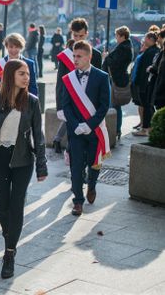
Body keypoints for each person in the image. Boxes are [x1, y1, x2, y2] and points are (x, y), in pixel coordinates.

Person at [0, 59, 47, 279]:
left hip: (23, 160)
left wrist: (42, 166)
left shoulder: (33, 101)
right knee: (2, 206)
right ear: (10, 76)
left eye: (28, 74)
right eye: (21, 73)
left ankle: (9, 254)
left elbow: (39, 135)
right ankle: (10, 235)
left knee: (17, 205)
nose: (27, 77)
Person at [62, 40, 111, 216]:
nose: (75, 59)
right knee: (76, 167)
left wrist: (89, 125)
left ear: (89, 57)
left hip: (94, 130)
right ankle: (78, 201)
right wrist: (75, 125)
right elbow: (65, 105)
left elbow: (105, 106)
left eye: (79, 56)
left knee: (94, 163)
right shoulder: (69, 79)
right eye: (74, 56)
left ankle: (92, 185)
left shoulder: (102, 77)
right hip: (75, 132)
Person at [54, 18, 102, 154]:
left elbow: (100, 83)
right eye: (75, 35)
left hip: (89, 106)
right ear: (71, 34)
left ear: (87, 34)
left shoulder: (96, 55)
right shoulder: (65, 56)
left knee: (90, 145)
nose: (78, 38)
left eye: (81, 35)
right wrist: (60, 107)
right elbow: (60, 83)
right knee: (74, 143)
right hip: (71, 105)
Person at [102, 26, 133, 139]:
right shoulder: (125, 46)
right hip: (116, 78)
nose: (115, 38)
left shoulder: (123, 48)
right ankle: (116, 129)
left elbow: (115, 64)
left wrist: (106, 57)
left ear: (122, 36)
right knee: (115, 105)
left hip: (116, 79)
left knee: (115, 105)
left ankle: (116, 129)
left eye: (117, 36)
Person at [132, 32, 159, 136]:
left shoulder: (152, 51)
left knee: (147, 106)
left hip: (145, 84)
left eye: (145, 38)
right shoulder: (149, 50)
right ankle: (147, 127)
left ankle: (146, 128)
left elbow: (145, 70)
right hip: (143, 84)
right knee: (146, 106)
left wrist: (141, 83)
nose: (144, 40)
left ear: (150, 39)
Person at [149, 29, 165, 111]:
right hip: (159, 91)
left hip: (161, 93)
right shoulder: (162, 53)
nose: (157, 40)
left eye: (159, 37)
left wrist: (151, 69)